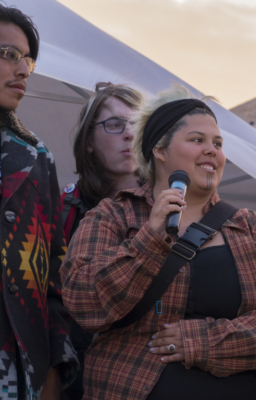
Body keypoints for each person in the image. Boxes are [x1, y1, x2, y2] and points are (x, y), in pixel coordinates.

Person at [60, 84, 256, 400]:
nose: (211, 150)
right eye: (197, 140)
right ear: (159, 151)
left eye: (217, 143)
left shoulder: (252, 228)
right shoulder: (112, 216)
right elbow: (84, 303)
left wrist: (202, 341)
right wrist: (149, 239)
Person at [0, 4, 78, 399]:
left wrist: (52, 367)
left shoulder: (35, 156)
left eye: (27, 59)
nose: (24, 70)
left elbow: (54, 272)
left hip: (18, 370)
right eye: (9, 54)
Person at [60, 82, 142, 399]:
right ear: (89, 141)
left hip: (144, 376)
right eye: (114, 124)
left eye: (138, 124)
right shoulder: (63, 209)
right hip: (70, 374)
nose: (129, 134)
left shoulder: (174, 209)